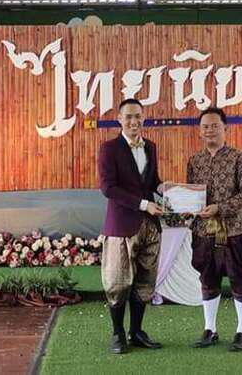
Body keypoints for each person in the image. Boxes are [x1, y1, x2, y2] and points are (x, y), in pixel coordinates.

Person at [97, 98, 167, 354]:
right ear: (119, 119)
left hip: (150, 226)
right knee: (117, 282)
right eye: (128, 116)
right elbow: (108, 188)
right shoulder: (109, 148)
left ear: (143, 118)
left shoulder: (151, 147)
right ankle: (118, 334)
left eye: (138, 116)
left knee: (145, 282)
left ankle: (136, 332)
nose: (134, 121)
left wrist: (166, 188)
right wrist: (144, 204)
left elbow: (152, 181)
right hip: (121, 226)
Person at [186, 107, 242, 352]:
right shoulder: (194, 161)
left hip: (235, 229)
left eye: (215, 125)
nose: (210, 130)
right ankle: (210, 329)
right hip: (204, 231)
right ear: (199, 131)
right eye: (205, 126)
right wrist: (182, 206)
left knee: (240, 279)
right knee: (208, 279)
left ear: (225, 128)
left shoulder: (239, 157)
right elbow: (192, 195)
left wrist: (220, 208)